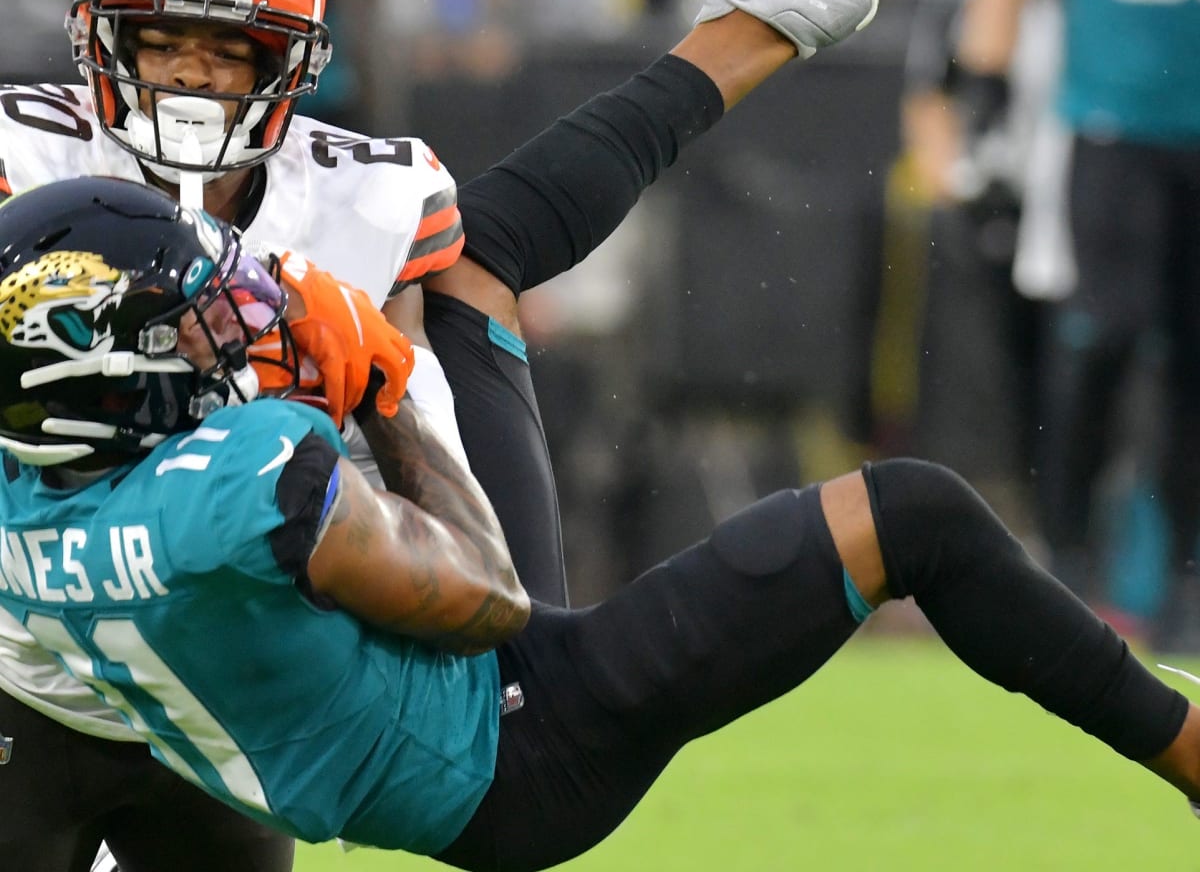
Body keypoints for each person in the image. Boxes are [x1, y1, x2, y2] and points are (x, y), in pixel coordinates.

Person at [0, 0, 883, 870]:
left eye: (227, 50)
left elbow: (443, 510)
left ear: (291, 68)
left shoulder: (364, 206)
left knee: (521, 679)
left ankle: (763, 23)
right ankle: (765, 20)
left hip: (223, 668)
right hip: (27, 661)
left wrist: (354, 406)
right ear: (100, 45)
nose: (190, 76)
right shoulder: (29, 160)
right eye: (164, 41)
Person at [2, 173, 1200, 872]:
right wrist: (377, 392)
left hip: (279, 745)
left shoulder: (30, 489)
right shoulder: (245, 485)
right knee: (914, 514)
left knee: (477, 270)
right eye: (204, 326)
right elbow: (489, 595)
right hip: (514, 746)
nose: (236, 333)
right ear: (99, 366)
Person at [949, 0, 1200, 645]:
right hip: (1115, 125)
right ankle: (1067, 555)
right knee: (1105, 333)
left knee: (1194, 368)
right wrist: (986, 77)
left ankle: (1181, 574)